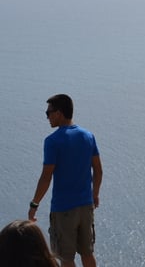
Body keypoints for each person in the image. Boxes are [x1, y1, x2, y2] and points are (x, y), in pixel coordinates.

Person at [28, 94, 102, 267]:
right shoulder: (88, 136)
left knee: (66, 258)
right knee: (87, 253)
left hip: (63, 209)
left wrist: (34, 204)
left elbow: (46, 177)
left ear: (59, 113)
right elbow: (98, 170)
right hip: (86, 206)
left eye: (49, 112)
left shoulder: (52, 141)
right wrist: (95, 194)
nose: (47, 117)